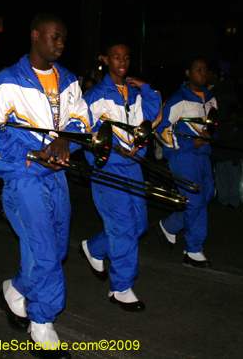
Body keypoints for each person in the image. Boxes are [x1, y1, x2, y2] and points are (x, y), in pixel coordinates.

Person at [0, 14, 88, 358]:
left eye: (64, 38)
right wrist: (32, 153)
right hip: (22, 177)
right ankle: (42, 324)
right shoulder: (5, 81)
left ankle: (14, 289)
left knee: (56, 250)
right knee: (45, 251)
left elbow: (81, 118)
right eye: (55, 37)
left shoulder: (68, 80)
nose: (61, 43)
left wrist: (66, 142)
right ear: (36, 35)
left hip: (56, 177)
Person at [80, 41, 161, 312]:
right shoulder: (94, 95)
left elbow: (151, 112)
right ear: (106, 60)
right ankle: (121, 288)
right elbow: (86, 137)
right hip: (109, 170)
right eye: (116, 57)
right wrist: (111, 153)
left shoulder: (135, 93)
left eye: (126, 57)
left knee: (138, 225)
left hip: (134, 166)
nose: (122, 62)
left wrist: (146, 87)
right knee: (124, 226)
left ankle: (94, 247)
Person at [153, 58, 217, 268]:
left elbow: (211, 124)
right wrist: (188, 143)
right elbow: (160, 127)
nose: (203, 73)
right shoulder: (179, 99)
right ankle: (193, 250)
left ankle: (169, 226)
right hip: (183, 155)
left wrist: (208, 135)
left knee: (206, 196)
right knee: (196, 199)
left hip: (203, 154)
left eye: (205, 70)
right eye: (198, 69)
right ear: (188, 73)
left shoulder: (210, 99)